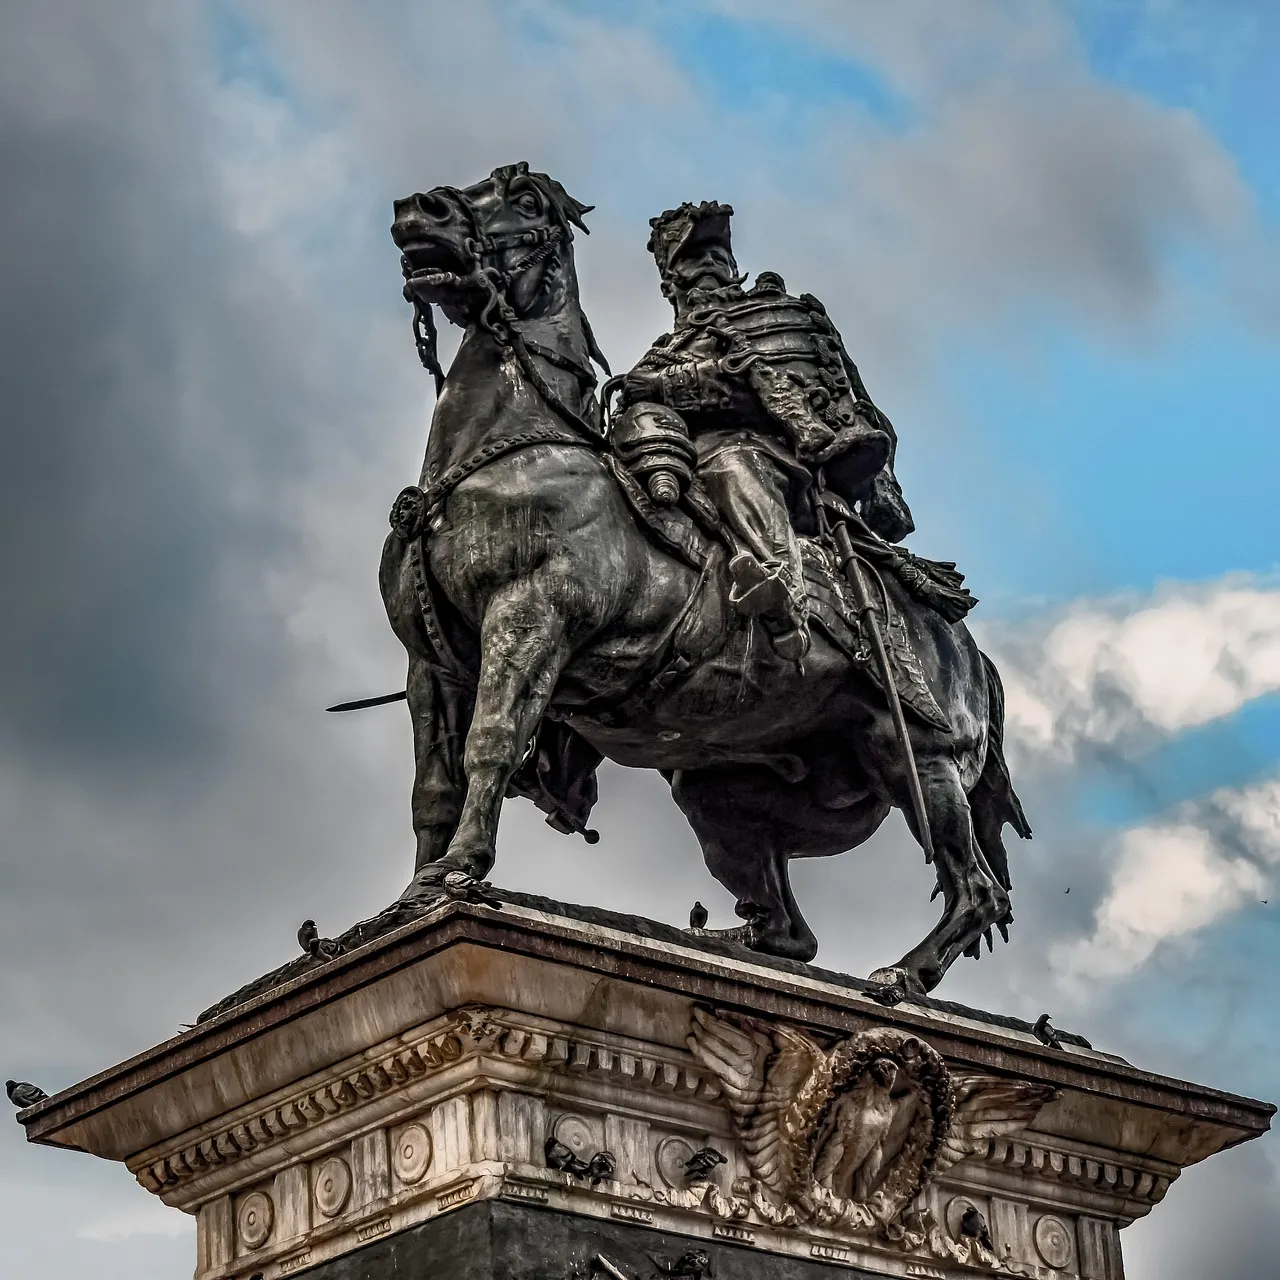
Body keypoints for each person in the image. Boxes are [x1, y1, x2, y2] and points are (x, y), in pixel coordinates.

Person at [618, 201, 914, 661]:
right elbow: (638, 399)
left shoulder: (779, 316)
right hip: (682, 461)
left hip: (781, 461)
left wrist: (671, 384)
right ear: (671, 281)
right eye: (696, 259)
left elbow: (790, 392)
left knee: (734, 464)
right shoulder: (666, 348)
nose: (711, 265)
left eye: (719, 256)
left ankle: (785, 595)